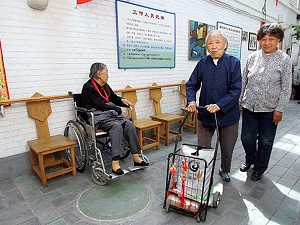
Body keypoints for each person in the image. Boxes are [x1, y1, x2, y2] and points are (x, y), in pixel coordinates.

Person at [186, 30, 242, 182]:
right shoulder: (203, 63)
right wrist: (191, 100)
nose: (214, 46)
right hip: (206, 114)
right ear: (206, 46)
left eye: (218, 42)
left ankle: (224, 169)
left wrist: (219, 105)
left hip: (228, 115)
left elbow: (236, 90)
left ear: (225, 45)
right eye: (210, 43)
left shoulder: (233, 63)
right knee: (202, 146)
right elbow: (191, 85)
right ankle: (203, 170)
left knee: (227, 147)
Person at [240, 23, 292, 181]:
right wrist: (240, 101)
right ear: (259, 40)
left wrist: (280, 109)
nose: (267, 42)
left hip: (270, 110)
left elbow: (286, 87)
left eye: (272, 38)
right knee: (246, 138)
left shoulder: (284, 60)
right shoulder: (252, 57)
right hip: (249, 107)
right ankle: (250, 160)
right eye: (263, 39)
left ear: (278, 40)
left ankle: (259, 168)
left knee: (266, 141)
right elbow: (244, 81)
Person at [81, 62, 148, 176]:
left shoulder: (105, 85)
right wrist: (119, 110)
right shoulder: (88, 87)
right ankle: (115, 164)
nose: (108, 75)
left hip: (109, 115)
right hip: (98, 117)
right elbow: (100, 105)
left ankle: (136, 158)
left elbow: (113, 98)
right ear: (99, 73)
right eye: (106, 72)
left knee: (129, 124)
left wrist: (122, 101)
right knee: (116, 126)